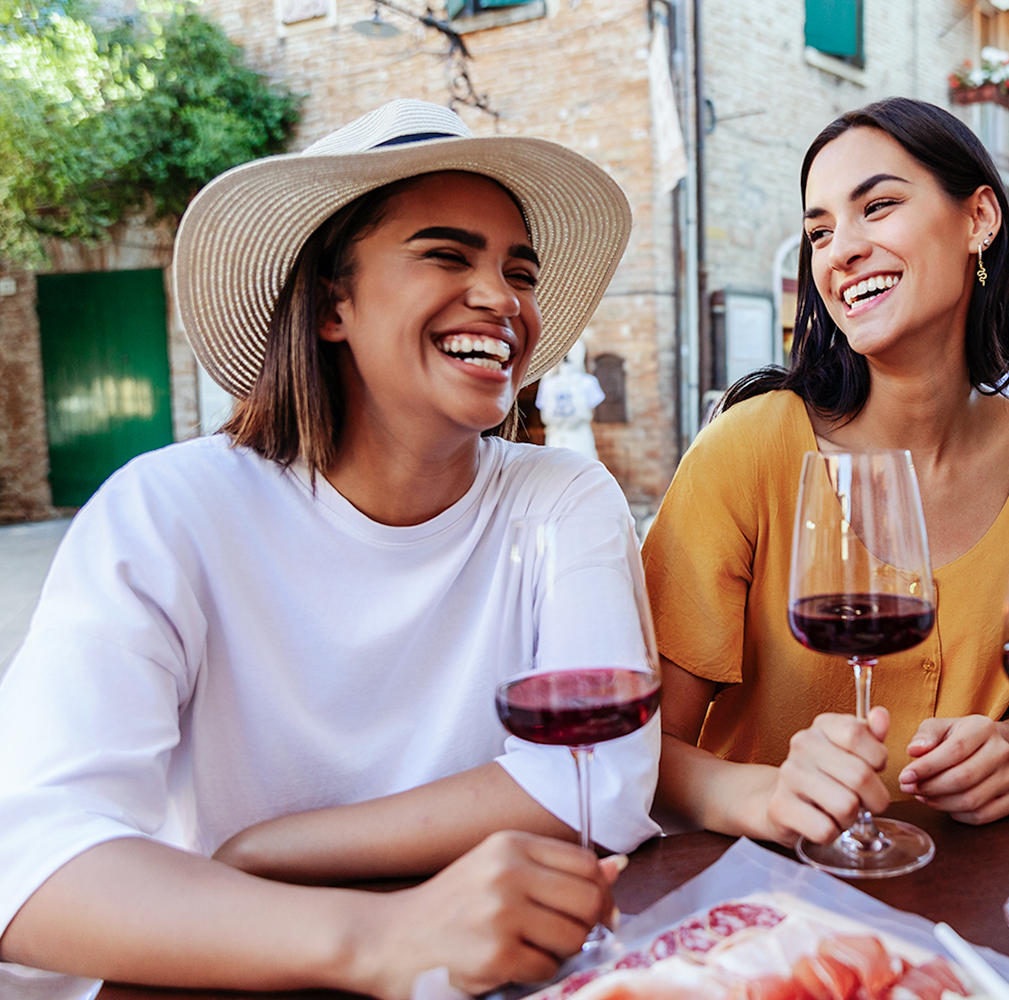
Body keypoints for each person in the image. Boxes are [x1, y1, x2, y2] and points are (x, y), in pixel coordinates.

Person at [0, 100, 659, 999]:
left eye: (519, 270)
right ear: (330, 306)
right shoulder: (167, 509)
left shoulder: (561, 498)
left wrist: (268, 847)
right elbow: (26, 857)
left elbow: (602, 785)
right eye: (445, 254)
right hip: (227, 971)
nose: (503, 298)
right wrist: (381, 936)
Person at [643, 98, 1009, 846]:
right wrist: (762, 793)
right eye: (818, 232)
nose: (838, 251)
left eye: (876, 207)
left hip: (967, 900)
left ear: (979, 218)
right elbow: (635, 754)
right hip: (770, 903)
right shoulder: (748, 450)